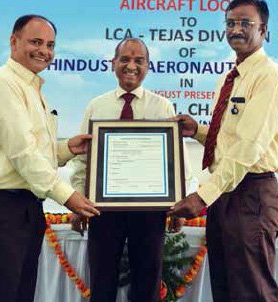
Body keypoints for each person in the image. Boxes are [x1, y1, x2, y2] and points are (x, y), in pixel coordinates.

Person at [0, 15, 100, 302]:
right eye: (35, 42)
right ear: (14, 42)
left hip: (23, 209)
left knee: (19, 293)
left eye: (50, 45)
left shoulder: (31, 88)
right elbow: (22, 154)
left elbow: (31, 149)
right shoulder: (3, 84)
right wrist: (68, 196)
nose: (44, 51)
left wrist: (66, 150)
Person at [169, 0, 278, 302]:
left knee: (252, 291)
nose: (236, 29)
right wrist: (197, 131)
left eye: (245, 23)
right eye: (230, 23)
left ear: (263, 29)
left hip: (251, 193)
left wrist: (202, 196)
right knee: (225, 288)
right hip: (226, 193)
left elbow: (249, 148)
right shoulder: (232, 76)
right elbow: (231, 139)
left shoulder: (268, 77)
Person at [69, 38, 197, 302]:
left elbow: (177, 160)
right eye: (125, 59)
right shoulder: (97, 106)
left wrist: (178, 204)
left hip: (149, 212)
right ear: (113, 64)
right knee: (102, 283)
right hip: (101, 211)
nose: (131, 66)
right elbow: (83, 160)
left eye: (139, 60)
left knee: (147, 284)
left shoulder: (162, 106)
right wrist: (77, 201)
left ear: (148, 66)